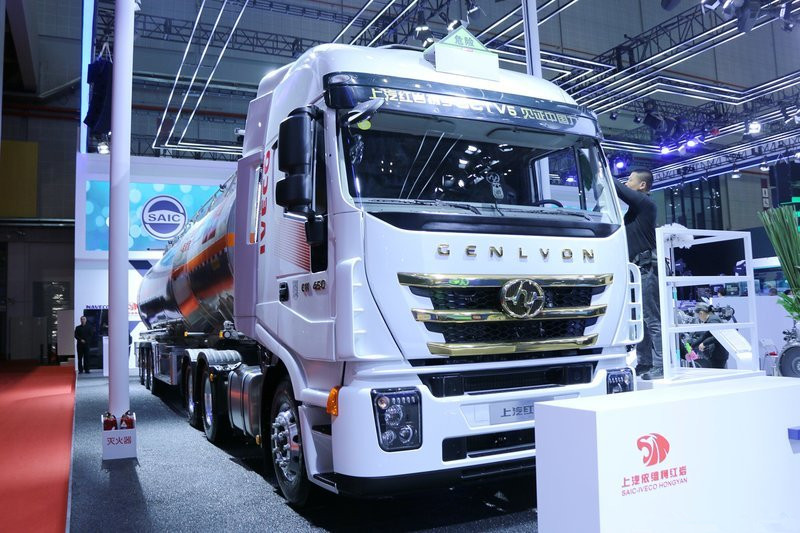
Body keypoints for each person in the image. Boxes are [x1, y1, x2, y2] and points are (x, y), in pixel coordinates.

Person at [614, 169, 663, 380]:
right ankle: (645, 362)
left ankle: (660, 365)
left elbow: (619, 189)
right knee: (640, 319)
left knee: (652, 319)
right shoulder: (636, 210)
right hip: (636, 270)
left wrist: (599, 167)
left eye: (630, 180)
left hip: (646, 269)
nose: (627, 183)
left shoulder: (646, 203)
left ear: (642, 185)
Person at [686, 302, 728, 369]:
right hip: (716, 355)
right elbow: (705, 336)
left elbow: (717, 336)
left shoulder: (713, 320)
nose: (699, 318)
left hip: (718, 355)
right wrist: (692, 346)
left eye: (698, 316)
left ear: (701, 313)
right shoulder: (710, 320)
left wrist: (704, 343)